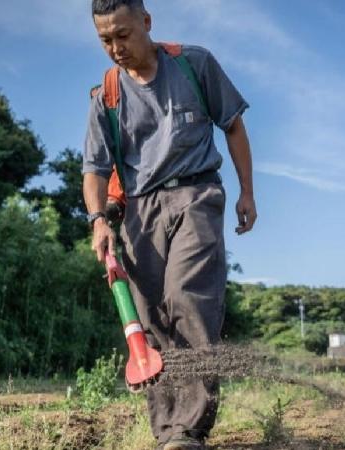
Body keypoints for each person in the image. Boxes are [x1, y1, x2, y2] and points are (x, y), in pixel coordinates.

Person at [82, 1, 257, 448]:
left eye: (123, 34)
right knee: (151, 320)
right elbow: (95, 170)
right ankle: (167, 432)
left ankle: (191, 428)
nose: (115, 47)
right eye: (105, 40)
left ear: (146, 23)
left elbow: (233, 125)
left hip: (197, 194)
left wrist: (247, 192)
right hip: (139, 212)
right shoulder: (106, 95)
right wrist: (98, 219)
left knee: (188, 299)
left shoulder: (193, 64)